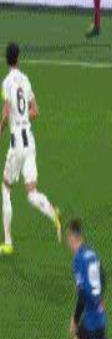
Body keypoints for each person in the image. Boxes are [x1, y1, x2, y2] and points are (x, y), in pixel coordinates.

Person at [0, 43, 62, 256]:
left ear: (6, 59)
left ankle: (8, 242)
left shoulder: (6, 82)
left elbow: (6, 112)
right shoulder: (25, 80)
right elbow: (35, 110)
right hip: (30, 141)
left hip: (17, 142)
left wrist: (1, 130)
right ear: (18, 58)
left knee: (6, 187)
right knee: (31, 191)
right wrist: (23, 118)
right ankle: (52, 212)